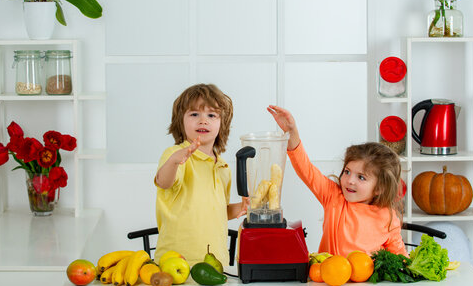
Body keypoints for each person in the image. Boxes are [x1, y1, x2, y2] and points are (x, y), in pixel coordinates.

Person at [267, 105, 407, 257]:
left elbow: (400, 258)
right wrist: (291, 131)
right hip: (328, 278)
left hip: (366, 281)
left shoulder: (388, 217)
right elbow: (305, 169)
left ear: (380, 188)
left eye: (361, 177)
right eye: (347, 172)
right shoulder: (334, 197)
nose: (350, 180)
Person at [154, 84, 248, 266]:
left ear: (222, 124)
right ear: (180, 121)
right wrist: (174, 161)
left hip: (215, 261)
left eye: (211, 115)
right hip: (175, 261)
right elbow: (164, 182)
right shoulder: (175, 154)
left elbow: (221, 210)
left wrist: (243, 207)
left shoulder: (223, 167)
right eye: (194, 114)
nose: (203, 120)